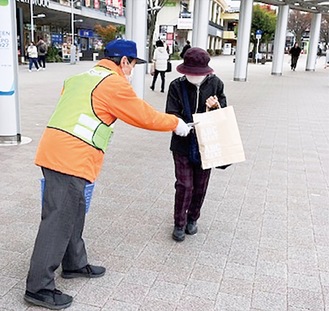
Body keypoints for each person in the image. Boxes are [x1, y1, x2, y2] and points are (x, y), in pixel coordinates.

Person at [24, 39, 191, 310]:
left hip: (60, 150)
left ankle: (74, 263)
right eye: (134, 64)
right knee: (57, 220)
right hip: (69, 157)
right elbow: (143, 115)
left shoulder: (79, 77)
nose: (133, 69)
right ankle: (38, 287)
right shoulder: (112, 83)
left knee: (74, 211)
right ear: (124, 62)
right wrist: (175, 123)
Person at [165, 47, 227, 242]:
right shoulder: (176, 86)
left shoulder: (216, 84)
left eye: (196, 72)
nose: (192, 76)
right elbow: (171, 112)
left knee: (200, 184)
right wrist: (179, 124)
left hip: (206, 143)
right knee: (184, 185)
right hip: (182, 143)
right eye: (189, 72)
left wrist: (215, 107)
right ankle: (179, 222)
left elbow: (223, 113)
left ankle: (193, 218)